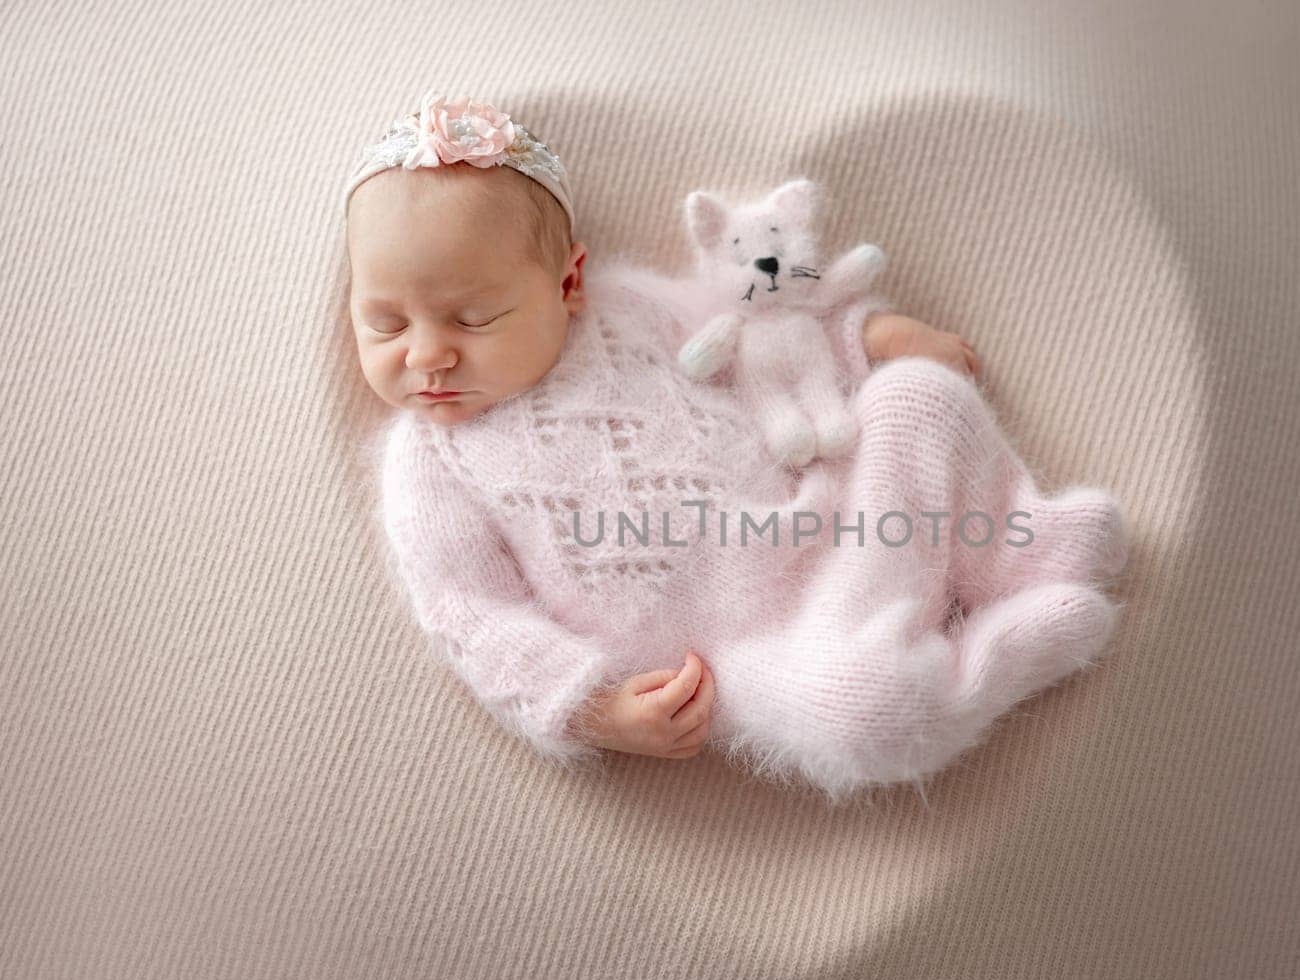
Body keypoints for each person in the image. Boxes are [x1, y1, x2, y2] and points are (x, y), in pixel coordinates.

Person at [347, 93, 1129, 805]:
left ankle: (1019, 550)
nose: (425, 356)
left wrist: (869, 336)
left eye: (473, 319)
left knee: (915, 394)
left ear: (568, 282)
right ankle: (1006, 645)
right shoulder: (429, 461)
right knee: (867, 712)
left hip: (844, 524)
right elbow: (472, 617)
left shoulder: (627, 311)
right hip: (751, 652)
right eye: (385, 323)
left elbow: (770, 333)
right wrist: (593, 708)